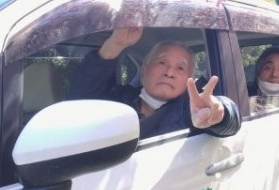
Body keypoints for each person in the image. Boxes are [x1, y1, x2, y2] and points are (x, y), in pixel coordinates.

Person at [68, 27, 241, 139]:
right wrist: (114, 45)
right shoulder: (118, 100)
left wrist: (220, 114)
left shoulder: (190, 110)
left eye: (180, 68)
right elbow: (80, 101)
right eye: (162, 62)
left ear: (189, 79)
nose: (169, 72)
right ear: (144, 70)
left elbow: (230, 122)